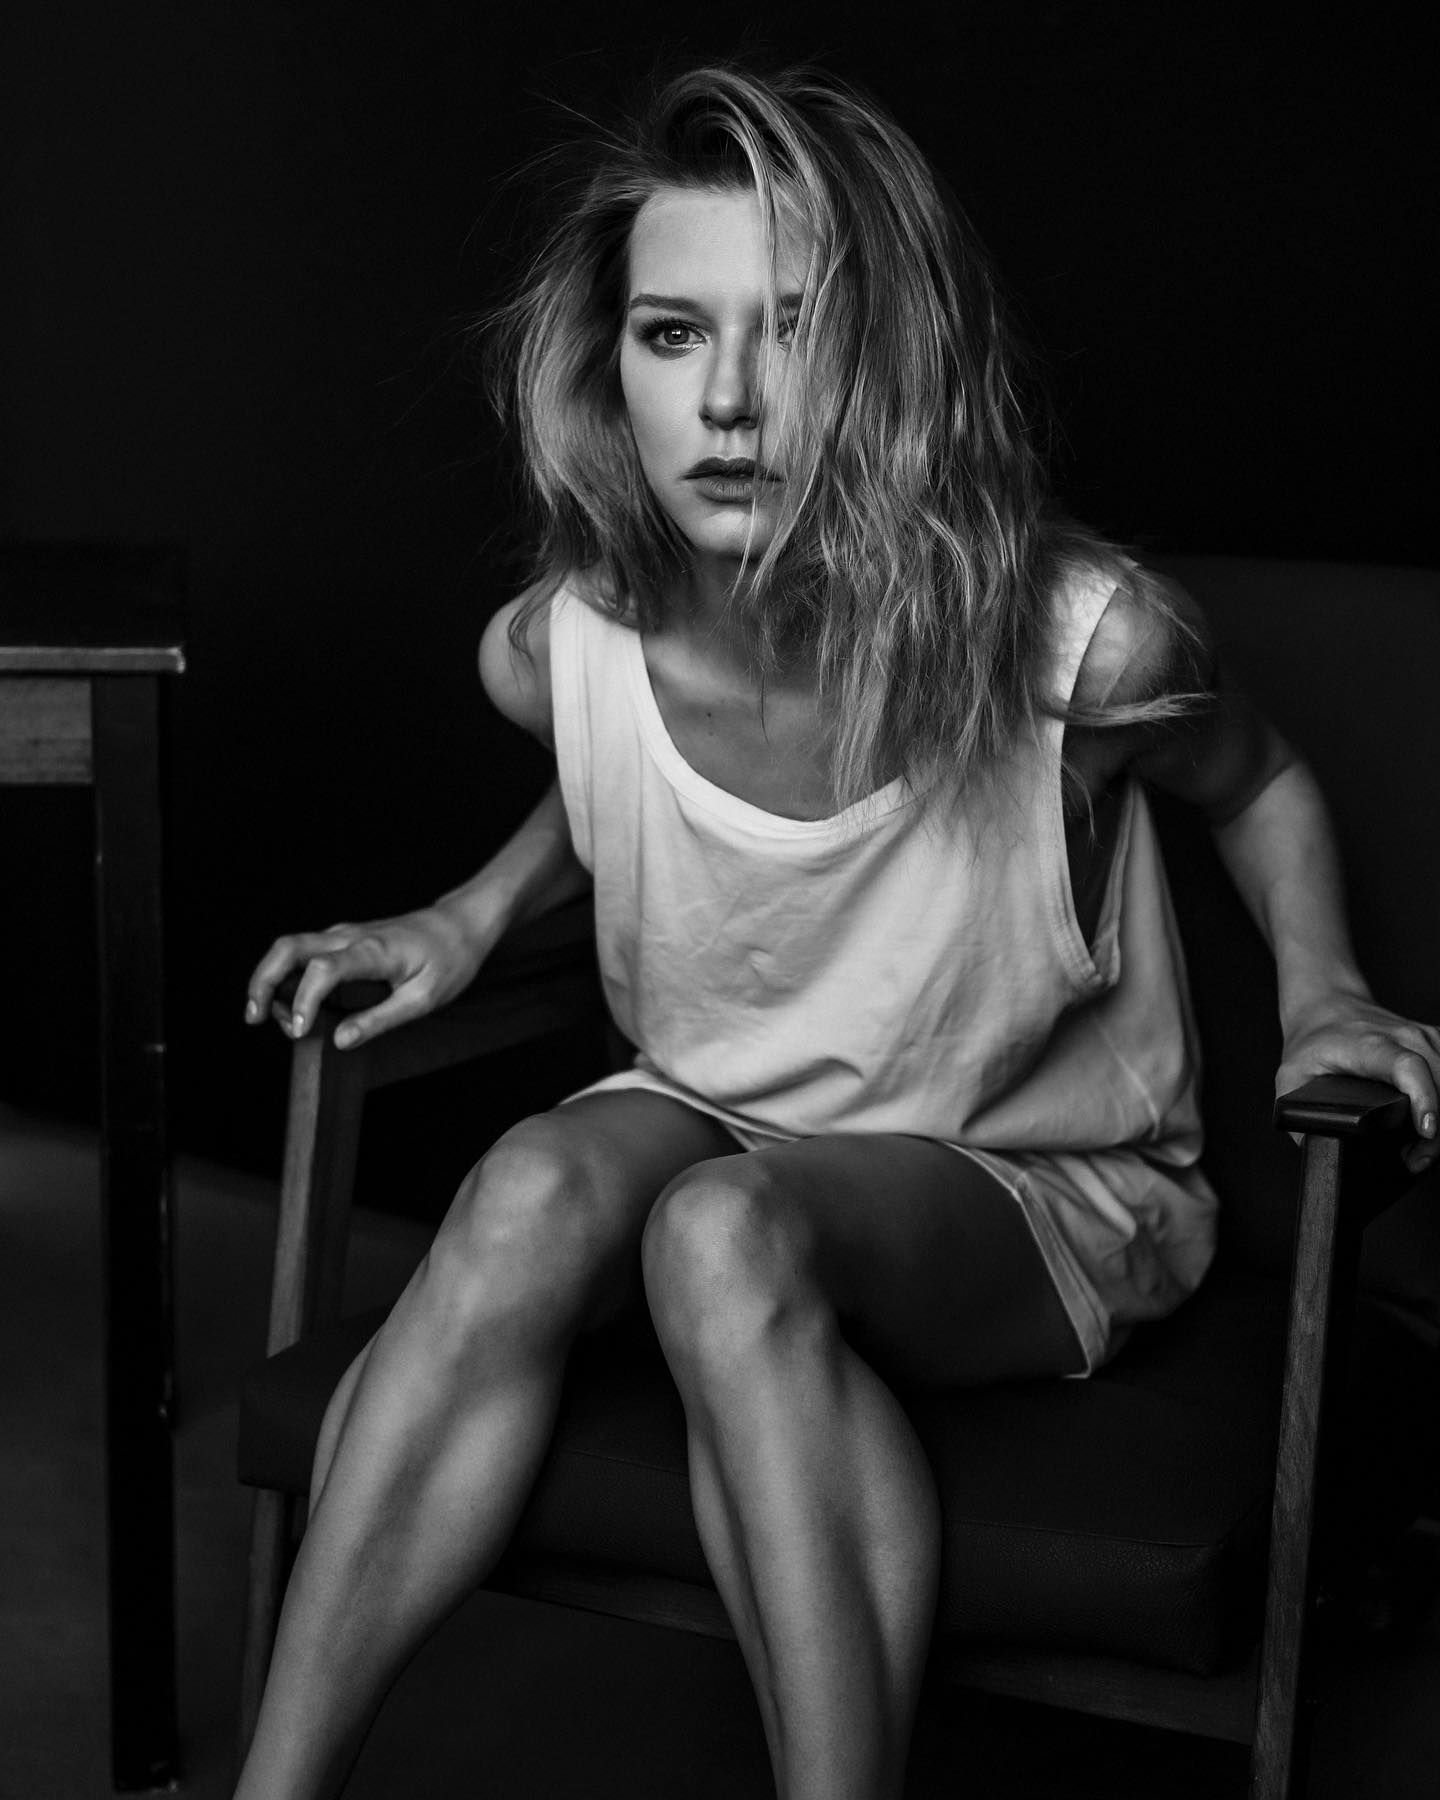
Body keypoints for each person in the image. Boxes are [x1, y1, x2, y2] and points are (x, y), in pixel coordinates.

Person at [234, 61, 1440, 1800]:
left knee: (722, 1237)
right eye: (673, 334)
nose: (729, 401)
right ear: (608, 366)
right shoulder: (557, 646)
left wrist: (1325, 998)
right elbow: (624, 783)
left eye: (793, 329)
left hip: (1027, 1169)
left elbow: (1260, 784)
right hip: (720, 1098)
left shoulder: (1085, 646)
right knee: (524, 1191)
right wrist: (468, 913)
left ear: (892, 355)